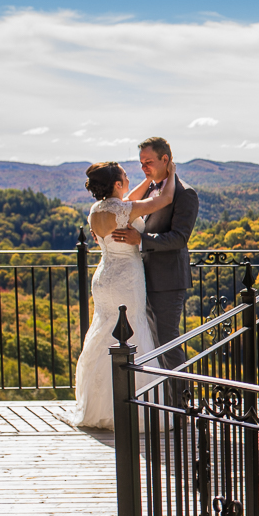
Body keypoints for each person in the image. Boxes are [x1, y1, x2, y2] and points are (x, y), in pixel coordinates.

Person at [66, 161, 176, 429]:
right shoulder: (125, 209)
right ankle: (136, 406)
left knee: (105, 332)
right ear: (117, 183)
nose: (128, 178)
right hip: (127, 278)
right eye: (125, 176)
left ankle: (100, 406)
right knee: (133, 331)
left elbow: (127, 199)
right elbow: (165, 198)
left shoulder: (97, 210)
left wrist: (149, 181)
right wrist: (170, 174)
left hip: (104, 277)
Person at [109, 136, 199, 372]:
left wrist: (141, 240)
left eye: (148, 162)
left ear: (165, 159)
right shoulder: (149, 188)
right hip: (142, 278)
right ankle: (165, 405)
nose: (143, 167)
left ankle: (180, 405)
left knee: (168, 345)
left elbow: (179, 238)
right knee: (154, 345)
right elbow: (123, 208)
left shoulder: (185, 193)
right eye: (141, 162)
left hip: (167, 281)